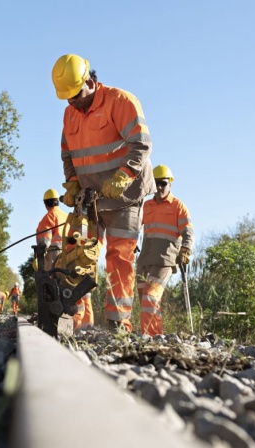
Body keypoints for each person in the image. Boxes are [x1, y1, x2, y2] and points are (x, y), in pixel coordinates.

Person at [52, 54, 154, 332]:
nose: (73, 101)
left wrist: (124, 176)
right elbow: (67, 155)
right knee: (78, 257)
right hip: (90, 199)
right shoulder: (70, 111)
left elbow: (141, 144)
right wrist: (72, 183)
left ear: (90, 81)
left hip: (126, 197)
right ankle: (77, 322)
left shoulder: (120, 101)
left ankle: (118, 323)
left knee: (119, 258)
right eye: (67, 97)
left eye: (76, 94)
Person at [136, 165, 194, 336]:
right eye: (156, 184)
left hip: (164, 260)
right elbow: (134, 227)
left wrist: (185, 249)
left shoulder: (178, 206)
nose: (159, 187)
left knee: (150, 296)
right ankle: (155, 334)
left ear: (170, 184)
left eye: (163, 183)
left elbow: (188, 231)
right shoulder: (146, 206)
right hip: (144, 259)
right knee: (145, 300)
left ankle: (151, 337)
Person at [36, 189, 68, 270]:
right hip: (68, 253)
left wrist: (40, 254)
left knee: (50, 279)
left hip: (54, 254)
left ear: (45, 203)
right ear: (58, 202)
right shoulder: (66, 216)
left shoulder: (48, 217)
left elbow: (44, 241)